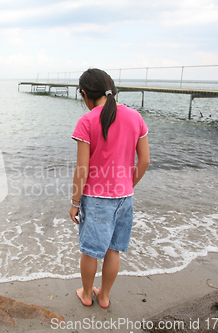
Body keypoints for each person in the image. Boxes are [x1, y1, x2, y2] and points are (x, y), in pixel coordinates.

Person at [69, 68, 150, 308]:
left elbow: (82, 169)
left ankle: (86, 294)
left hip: (96, 200)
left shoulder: (87, 120)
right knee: (113, 250)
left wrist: (74, 202)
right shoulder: (135, 116)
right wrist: (128, 184)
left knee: (91, 251)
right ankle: (103, 295)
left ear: (85, 94)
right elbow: (144, 161)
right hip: (125, 198)